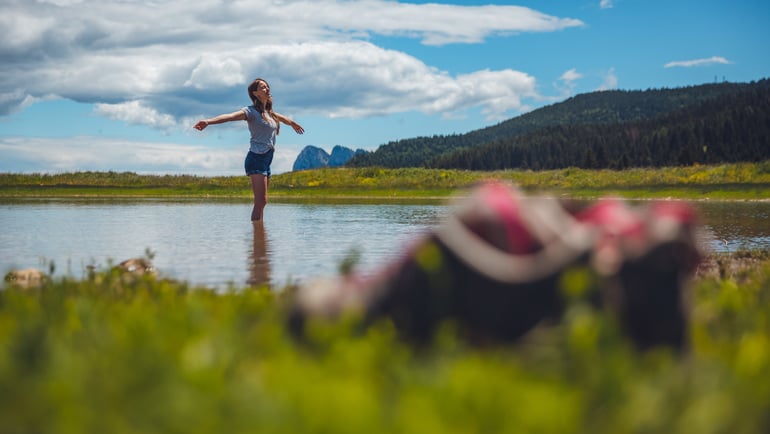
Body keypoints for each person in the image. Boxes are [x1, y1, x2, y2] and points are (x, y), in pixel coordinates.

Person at [194, 78, 304, 222]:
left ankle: (260, 237)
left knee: (262, 202)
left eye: (267, 86)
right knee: (261, 201)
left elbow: (283, 118)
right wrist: (208, 121)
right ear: (255, 93)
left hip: (266, 160)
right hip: (256, 158)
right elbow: (230, 116)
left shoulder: (270, 113)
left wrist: (293, 123)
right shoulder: (250, 112)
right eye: (263, 87)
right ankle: (257, 238)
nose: (267, 89)